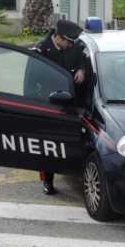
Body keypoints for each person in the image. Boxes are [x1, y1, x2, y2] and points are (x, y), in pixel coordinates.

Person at [32, 19, 88, 195]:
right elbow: (32, 80)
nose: (71, 45)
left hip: (71, 102)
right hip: (50, 104)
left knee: (69, 142)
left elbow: (84, 59)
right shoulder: (42, 50)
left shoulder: (74, 47)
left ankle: (72, 172)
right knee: (49, 145)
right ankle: (47, 181)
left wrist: (82, 70)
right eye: (68, 41)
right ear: (59, 38)